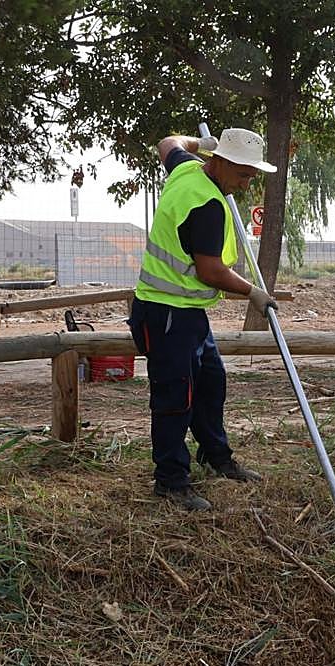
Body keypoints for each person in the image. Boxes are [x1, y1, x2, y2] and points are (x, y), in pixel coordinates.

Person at [128, 128, 278, 512]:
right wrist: (252, 293)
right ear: (223, 162)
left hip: (187, 313)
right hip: (165, 313)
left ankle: (216, 456)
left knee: (211, 384)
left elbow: (167, 143)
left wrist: (203, 145)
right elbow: (210, 271)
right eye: (244, 174)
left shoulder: (186, 169)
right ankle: (171, 481)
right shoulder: (207, 204)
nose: (247, 184)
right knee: (175, 398)